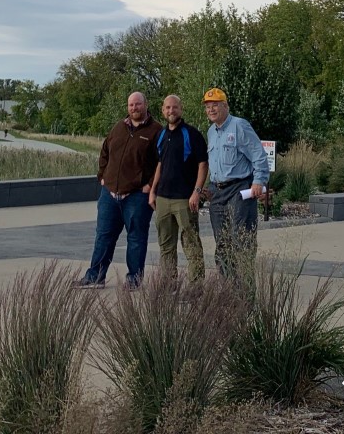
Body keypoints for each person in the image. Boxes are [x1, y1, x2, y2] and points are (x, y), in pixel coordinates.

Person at [76, 91, 162, 288]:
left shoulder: (156, 131)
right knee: (103, 236)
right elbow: (105, 151)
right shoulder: (119, 127)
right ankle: (95, 277)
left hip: (137, 196)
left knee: (136, 239)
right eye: (131, 105)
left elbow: (162, 162)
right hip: (110, 195)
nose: (134, 108)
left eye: (138, 104)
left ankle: (134, 279)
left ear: (146, 105)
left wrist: (150, 184)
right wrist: (102, 176)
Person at [202, 86, 270, 281]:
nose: (211, 110)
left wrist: (259, 181)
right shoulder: (211, 132)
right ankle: (227, 287)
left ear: (225, 105)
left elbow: (258, 155)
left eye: (215, 105)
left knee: (241, 239)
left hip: (239, 189)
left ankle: (245, 290)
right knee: (221, 242)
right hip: (217, 192)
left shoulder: (239, 126)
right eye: (208, 107)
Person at [148, 94, 208, 279]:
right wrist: (153, 191)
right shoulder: (161, 135)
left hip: (184, 198)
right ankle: (168, 285)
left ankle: (195, 286)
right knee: (166, 245)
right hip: (163, 199)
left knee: (191, 244)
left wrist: (196, 192)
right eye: (167, 108)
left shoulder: (191, 134)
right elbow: (160, 164)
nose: (171, 111)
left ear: (181, 109)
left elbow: (203, 164)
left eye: (174, 107)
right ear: (163, 110)